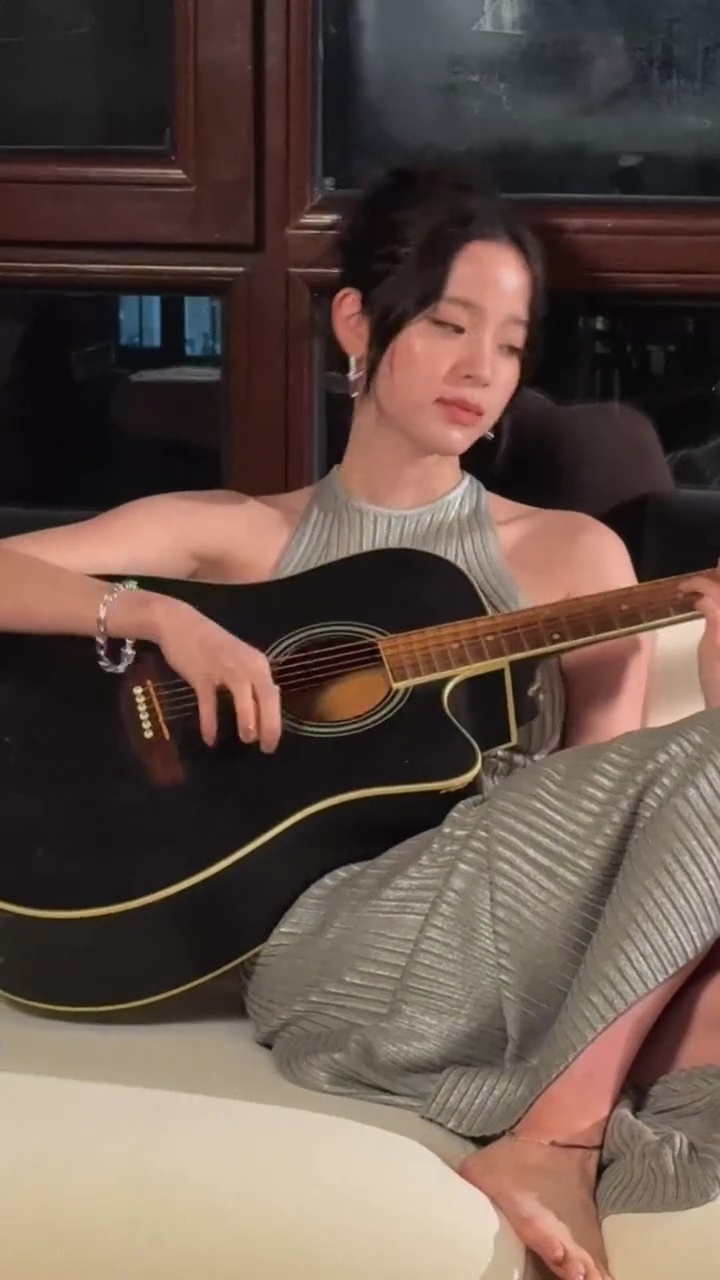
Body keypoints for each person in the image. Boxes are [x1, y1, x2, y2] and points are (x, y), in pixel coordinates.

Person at [2, 163, 720, 1280]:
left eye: (511, 345)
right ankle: (557, 1142)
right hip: (332, 947)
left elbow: (612, 812)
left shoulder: (572, 557)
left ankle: (552, 1125)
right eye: (448, 325)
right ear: (357, 323)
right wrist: (149, 612)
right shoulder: (240, 535)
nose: (482, 369)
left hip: (514, 926)